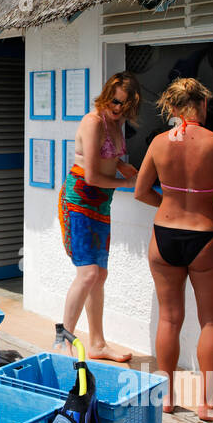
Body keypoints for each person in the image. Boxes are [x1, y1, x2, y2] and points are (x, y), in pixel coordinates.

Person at [134, 78, 213, 423]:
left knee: (169, 319)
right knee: (210, 322)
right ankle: (209, 404)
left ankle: (165, 398)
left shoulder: (158, 142)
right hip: (205, 236)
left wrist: (166, 203)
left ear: (173, 107)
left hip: (164, 235)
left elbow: (140, 192)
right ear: (203, 105)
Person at [54, 71, 138, 362]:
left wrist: (123, 166)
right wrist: (127, 183)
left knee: (99, 275)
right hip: (79, 201)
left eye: (124, 106)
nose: (118, 109)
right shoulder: (92, 122)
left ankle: (98, 343)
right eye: (115, 102)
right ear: (106, 95)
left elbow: (108, 159)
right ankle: (63, 337)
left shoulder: (116, 124)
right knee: (88, 273)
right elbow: (91, 175)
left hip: (102, 205)